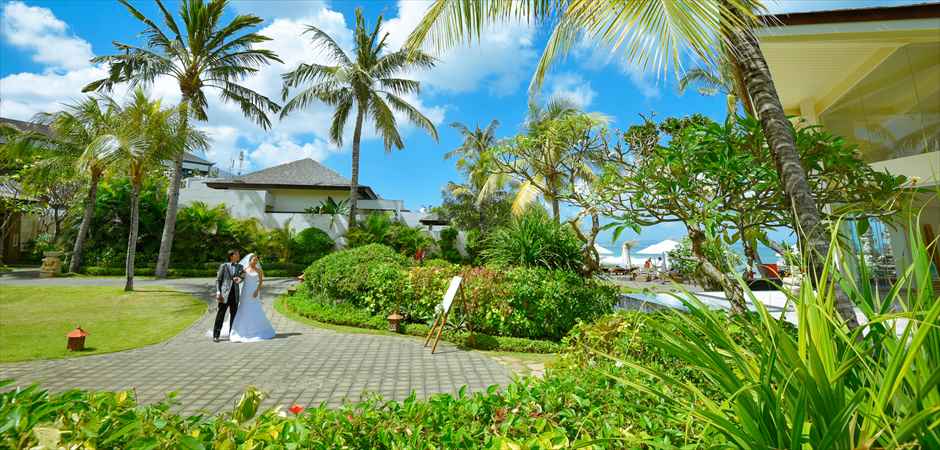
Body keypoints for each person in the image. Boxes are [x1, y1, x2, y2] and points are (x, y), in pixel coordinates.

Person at [229, 253, 276, 342]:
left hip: (254, 292)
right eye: (253, 260)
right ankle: (241, 330)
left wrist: (257, 291)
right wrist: (235, 280)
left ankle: (257, 329)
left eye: (256, 260)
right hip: (245, 292)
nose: (255, 261)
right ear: (249, 261)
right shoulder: (245, 270)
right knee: (244, 309)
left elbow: (261, 282)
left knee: (255, 309)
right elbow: (240, 279)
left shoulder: (259, 271)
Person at [213, 249, 243, 342]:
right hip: (224, 294)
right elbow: (218, 280)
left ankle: (232, 334)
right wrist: (218, 292)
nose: (238, 256)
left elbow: (242, 277)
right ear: (231, 256)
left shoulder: (240, 266)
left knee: (234, 315)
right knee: (220, 315)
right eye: (237, 254)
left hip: (235, 294)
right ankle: (216, 335)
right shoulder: (224, 266)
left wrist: (240, 279)